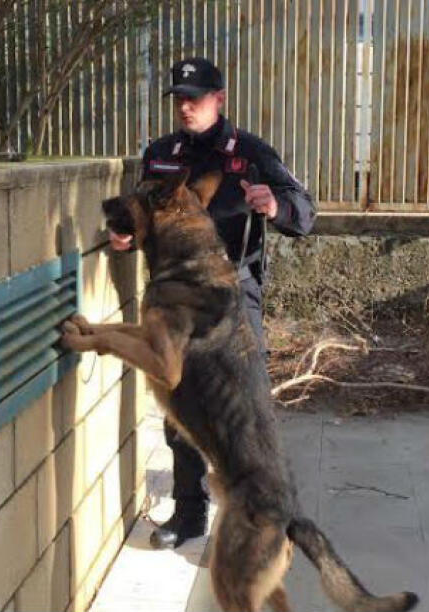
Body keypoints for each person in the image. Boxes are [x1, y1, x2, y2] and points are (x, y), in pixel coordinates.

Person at [108, 57, 316, 549]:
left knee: (243, 415)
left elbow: (305, 214)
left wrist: (274, 206)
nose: (186, 107)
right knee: (181, 408)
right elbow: (145, 216)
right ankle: (188, 513)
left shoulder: (249, 153)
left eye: (195, 99)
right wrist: (126, 235)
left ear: (219, 100)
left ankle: (257, 521)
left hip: (233, 301)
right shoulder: (161, 153)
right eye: (179, 98)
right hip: (177, 300)